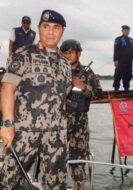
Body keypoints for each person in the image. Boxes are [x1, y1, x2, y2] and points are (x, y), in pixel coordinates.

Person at [0, 9, 72, 190]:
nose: (50, 31)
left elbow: (64, 94)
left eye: (56, 27)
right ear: (39, 28)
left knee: (57, 184)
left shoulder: (65, 63)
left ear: (62, 30)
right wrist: (7, 124)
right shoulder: (23, 54)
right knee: (8, 181)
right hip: (25, 133)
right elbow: (7, 89)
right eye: (46, 26)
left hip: (56, 135)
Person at [60, 39, 102, 190]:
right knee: (57, 163)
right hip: (59, 124)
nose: (68, 56)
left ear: (78, 53)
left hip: (80, 126)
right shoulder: (57, 71)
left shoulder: (87, 73)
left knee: (78, 164)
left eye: (71, 52)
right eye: (65, 53)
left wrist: (83, 86)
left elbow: (99, 94)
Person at [113, 25, 133, 91]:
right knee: (118, 75)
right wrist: (115, 60)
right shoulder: (118, 39)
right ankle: (116, 88)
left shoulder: (131, 40)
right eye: (125, 30)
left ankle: (126, 88)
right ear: (122, 31)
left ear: (129, 31)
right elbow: (115, 49)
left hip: (129, 60)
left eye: (128, 30)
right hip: (120, 60)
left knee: (128, 75)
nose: (126, 31)